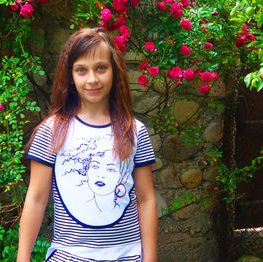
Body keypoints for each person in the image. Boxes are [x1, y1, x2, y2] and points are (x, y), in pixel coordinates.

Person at [17, 27, 158, 262]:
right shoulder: (51, 131)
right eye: (81, 70)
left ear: (114, 71)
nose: (92, 79)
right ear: (70, 76)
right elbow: (36, 199)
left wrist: (150, 258)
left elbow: (146, 199)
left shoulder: (135, 131)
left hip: (127, 255)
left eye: (101, 68)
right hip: (69, 255)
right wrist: (23, 257)